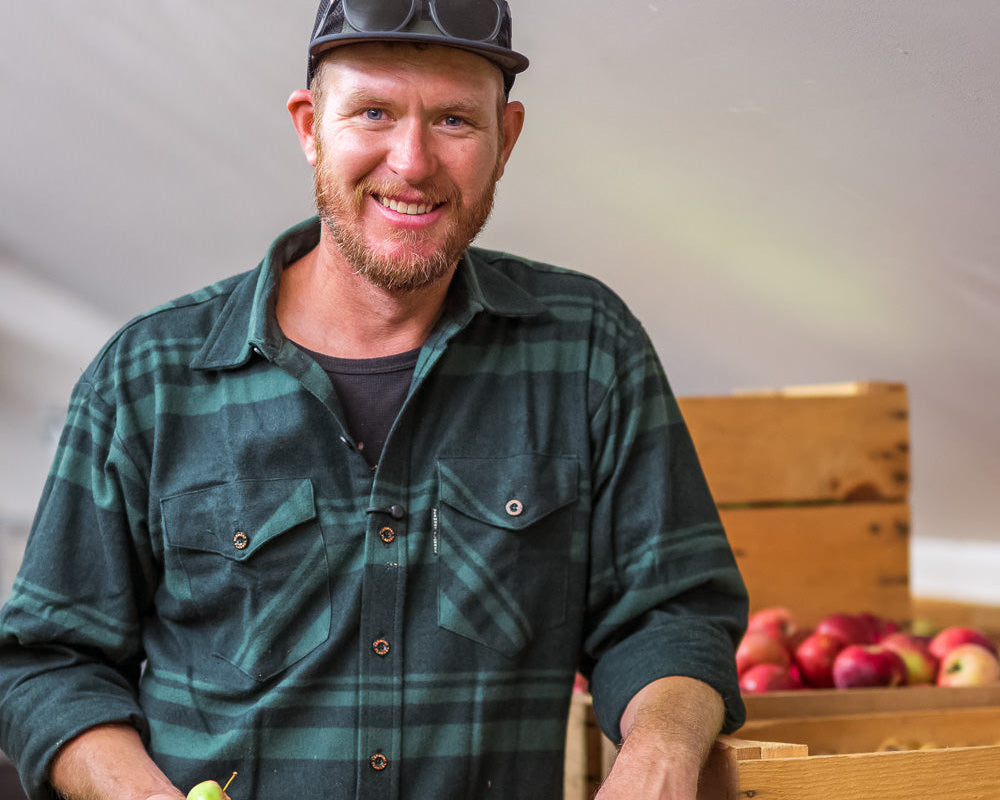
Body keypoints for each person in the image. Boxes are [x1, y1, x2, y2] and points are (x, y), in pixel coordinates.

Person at [0, 1, 748, 798]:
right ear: (309, 127)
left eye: (456, 119)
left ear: (508, 139)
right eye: (374, 112)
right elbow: (47, 663)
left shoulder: (586, 349)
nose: (414, 160)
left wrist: (659, 755)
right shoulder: (150, 375)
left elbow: (673, 616)